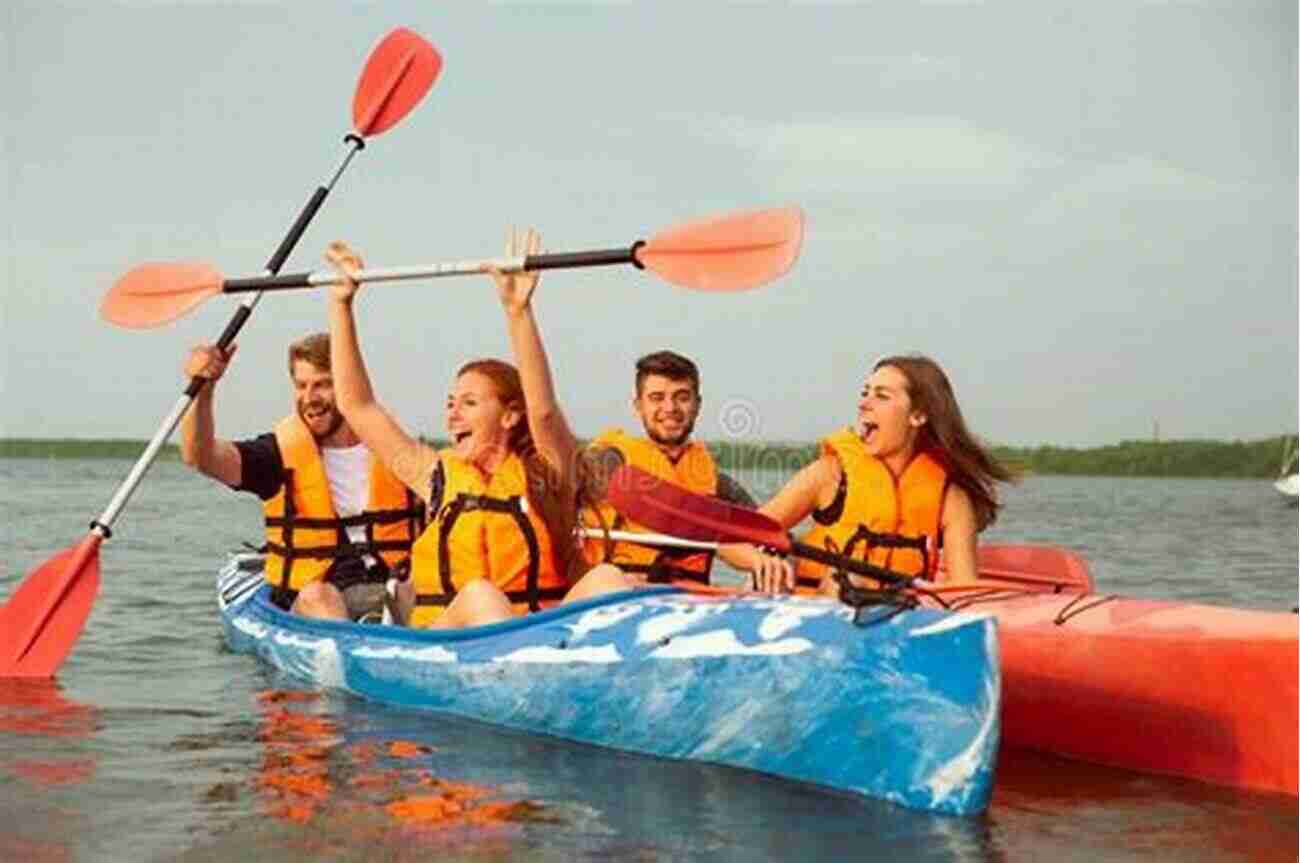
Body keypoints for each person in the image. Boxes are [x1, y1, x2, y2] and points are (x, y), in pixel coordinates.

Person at [324, 228, 635, 629]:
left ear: (509, 415)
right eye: (451, 403)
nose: (453, 414)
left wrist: (517, 311)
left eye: (469, 403)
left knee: (608, 579)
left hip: (541, 636)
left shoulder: (550, 474)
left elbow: (542, 413)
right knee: (481, 595)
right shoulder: (435, 476)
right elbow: (357, 406)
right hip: (449, 639)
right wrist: (341, 305)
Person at [719, 355, 1016, 594]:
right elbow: (730, 543)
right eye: (865, 393)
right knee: (846, 579)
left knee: (856, 584)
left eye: (882, 396)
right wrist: (760, 560)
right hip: (812, 611)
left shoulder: (950, 498)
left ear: (918, 415)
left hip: (895, 618)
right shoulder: (829, 475)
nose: (864, 403)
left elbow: (962, 592)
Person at [180, 334, 425, 620]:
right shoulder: (276, 455)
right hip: (315, 603)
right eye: (301, 386)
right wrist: (203, 389)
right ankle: (348, 654)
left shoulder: (397, 449)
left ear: (350, 385)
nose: (310, 398)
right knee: (318, 595)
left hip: (392, 590)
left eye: (323, 384)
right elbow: (200, 456)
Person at [581, 350, 758, 584]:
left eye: (682, 397)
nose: (670, 408)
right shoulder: (607, 463)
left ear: (697, 405)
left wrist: (767, 562)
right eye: (656, 398)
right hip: (622, 600)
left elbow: (765, 531)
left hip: (690, 604)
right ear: (638, 406)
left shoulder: (718, 485)